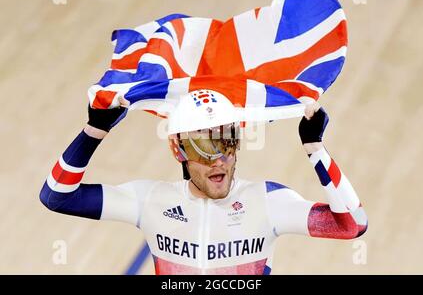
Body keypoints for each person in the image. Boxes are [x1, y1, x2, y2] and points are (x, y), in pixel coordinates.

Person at [40, 89, 367, 275]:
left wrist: (315, 149)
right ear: (177, 149)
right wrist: (94, 131)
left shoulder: (267, 202)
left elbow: (352, 224)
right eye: (203, 147)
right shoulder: (151, 201)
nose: (218, 159)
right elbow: (57, 196)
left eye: (226, 143)